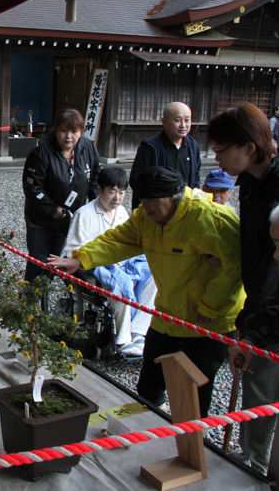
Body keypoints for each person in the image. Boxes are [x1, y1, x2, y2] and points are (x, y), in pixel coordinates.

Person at [49, 167, 245, 416]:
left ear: (174, 198)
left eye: (153, 206)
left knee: (194, 394)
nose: (147, 211)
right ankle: (151, 430)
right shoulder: (146, 217)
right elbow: (119, 239)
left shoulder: (211, 219)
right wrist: (81, 259)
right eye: (144, 204)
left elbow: (234, 270)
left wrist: (210, 308)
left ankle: (191, 447)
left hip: (207, 322)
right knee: (148, 387)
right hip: (167, 315)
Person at [207, 102, 279, 474]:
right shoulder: (253, 180)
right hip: (263, 304)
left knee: (274, 392)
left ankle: (266, 467)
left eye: (221, 150)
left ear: (248, 148)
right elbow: (256, 255)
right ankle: (253, 459)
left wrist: (254, 328)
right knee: (257, 387)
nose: (216, 159)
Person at [58, 167, 154, 356]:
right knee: (120, 285)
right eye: (112, 191)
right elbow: (72, 250)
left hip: (124, 263)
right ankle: (123, 339)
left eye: (121, 192)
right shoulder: (84, 214)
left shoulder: (122, 213)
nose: (117, 198)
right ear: (99, 189)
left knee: (153, 279)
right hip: (96, 267)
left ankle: (138, 332)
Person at [22, 108, 99, 284]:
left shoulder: (87, 147)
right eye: (64, 131)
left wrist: (96, 206)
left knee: (71, 259)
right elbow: (32, 187)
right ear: (56, 130)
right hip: (42, 220)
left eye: (74, 131)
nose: (69, 136)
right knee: (41, 264)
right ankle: (30, 306)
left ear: (81, 132)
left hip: (74, 217)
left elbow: (95, 176)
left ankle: (71, 305)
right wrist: (53, 209)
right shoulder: (41, 153)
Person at [129, 102, 201, 208]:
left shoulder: (193, 145)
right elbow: (136, 180)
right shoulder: (150, 147)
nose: (183, 125)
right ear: (164, 122)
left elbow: (196, 178)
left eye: (187, 120)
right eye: (177, 120)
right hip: (157, 209)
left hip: (184, 207)